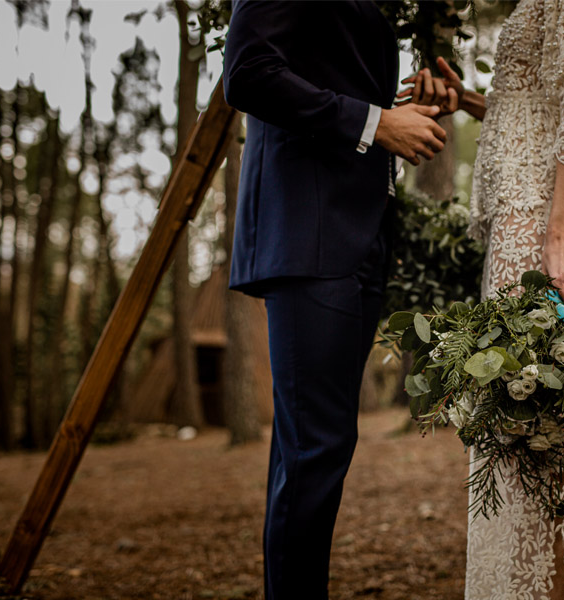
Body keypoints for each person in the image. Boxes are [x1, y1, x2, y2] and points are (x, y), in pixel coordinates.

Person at [397, 0, 564, 597]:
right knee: (522, 435)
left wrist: (559, 232)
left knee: (535, 435)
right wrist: (470, 101)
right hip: (524, 218)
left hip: (541, 221)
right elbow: (536, 104)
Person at [221, 2, 448, 599]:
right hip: (308, 231)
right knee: (315, 449)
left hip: (357, 234)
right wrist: (376, 124)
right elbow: (246, 72)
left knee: (315, 447)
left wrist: (405, 112)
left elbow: (330, 70)